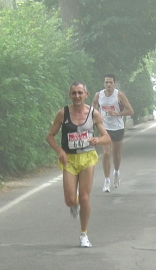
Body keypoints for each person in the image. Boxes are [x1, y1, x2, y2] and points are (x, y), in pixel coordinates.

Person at [46, 82, 110, 248]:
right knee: (69, 200)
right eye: (74, 93)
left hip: (87, 157)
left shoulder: (93, 114)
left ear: (86, 94)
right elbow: (50, 136)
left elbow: (106, 137)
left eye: (80, 93)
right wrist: (60, 151)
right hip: (69, 159)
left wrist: (98, 139)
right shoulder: (63, 113)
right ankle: (73, 206)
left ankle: (84, 234)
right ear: (70, 95)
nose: (77, 96)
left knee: (84, 197)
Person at [92, 74, 134, 193]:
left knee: (116, 155)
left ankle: (116, 172)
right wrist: (95, 115)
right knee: (106, 153)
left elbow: (131, 110)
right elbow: (94, 105)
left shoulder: (119, 95)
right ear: (103, 84)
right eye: (106, 82)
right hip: (104, 128)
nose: (108, 85)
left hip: (117, 127)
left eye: (110, 82)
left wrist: (117, 114)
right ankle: (106, 180)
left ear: (114, 84)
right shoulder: (98, 95)